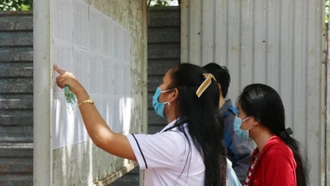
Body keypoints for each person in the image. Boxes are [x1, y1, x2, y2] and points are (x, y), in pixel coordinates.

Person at [54, 63, 228, 186]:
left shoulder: (176, 143)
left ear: (173, 95)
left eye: (163, 83)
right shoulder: (197, 137)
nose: (159, 88)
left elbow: (105, 139)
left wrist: (80, 91)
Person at [235, 84, 308, 186]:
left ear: (255, 119)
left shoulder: (277, 154)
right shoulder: (258, 154)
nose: (237, 118)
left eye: (239, 113)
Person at [203, 63, 252, 184]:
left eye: (203, 86)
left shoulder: (231, 120)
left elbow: (244, 160)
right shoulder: (209, 118)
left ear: (217, 88)